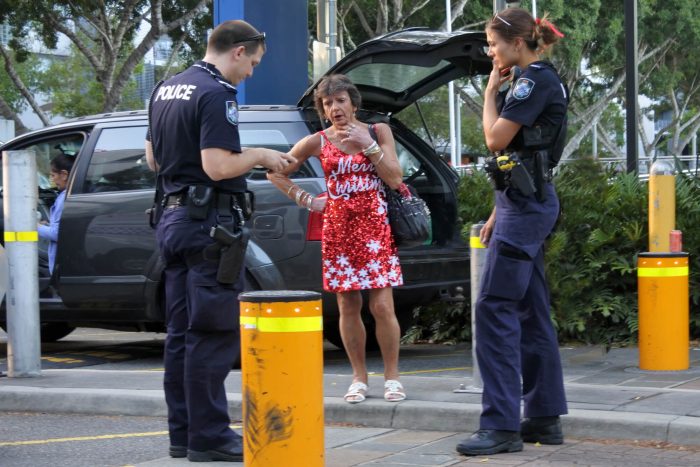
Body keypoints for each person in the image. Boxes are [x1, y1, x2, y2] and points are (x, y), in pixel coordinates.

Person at [145, 20, 296, 463]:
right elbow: (217, 165)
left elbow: (153, 157)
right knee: (210, 333)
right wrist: (263, 156)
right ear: (238, 51)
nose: (251, 72)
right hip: (207, 226)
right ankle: (209, 437)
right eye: (253, 62)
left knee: (179, 335)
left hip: (172, 221)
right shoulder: (216, 94)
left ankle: (185, 434)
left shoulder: (166, 89)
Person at [456, 8, 569, 456]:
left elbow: (496, 141)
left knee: (494, 309)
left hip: (526, 209)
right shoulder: (538, 79)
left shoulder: (531, 80)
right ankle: (543, 417)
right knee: (530, 310)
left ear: (517, 43)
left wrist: (488, 93)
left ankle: (500, 425)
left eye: (494, 43)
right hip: (521, 204)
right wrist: (496, 211)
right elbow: (520, 159)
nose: (491, 52)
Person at [267, 74, 407, 404]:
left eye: (341, 100)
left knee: (382, 305)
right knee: (348, 304)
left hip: (374, 229)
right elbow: (275, 171)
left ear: (354, 103)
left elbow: (395, 178)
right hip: (338, 230)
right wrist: (307, 200)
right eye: (328, 103)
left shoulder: (377, 131)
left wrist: (369, 146)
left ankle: (392, 377)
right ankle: (359, 377)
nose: (335, 108)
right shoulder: (317, 141)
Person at [38, 151, 75, 275]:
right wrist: (47, 225)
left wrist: (36, 226)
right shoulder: (71, 194)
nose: (52, 180)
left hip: (60, 264)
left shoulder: (63, 198)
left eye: (53, 175)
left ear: (64, 175)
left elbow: (58, 234)